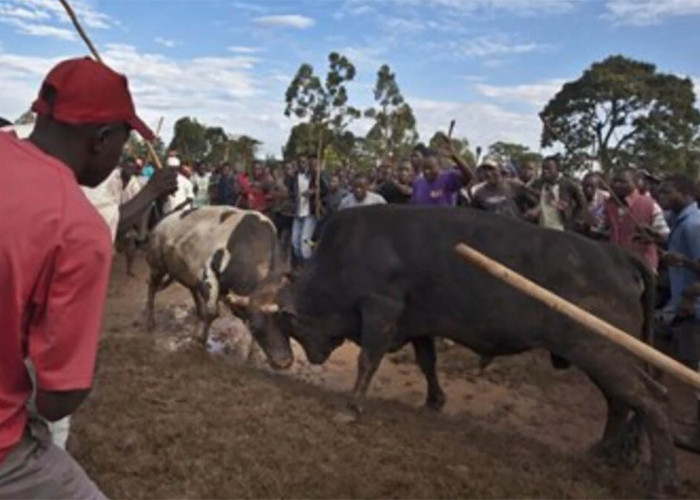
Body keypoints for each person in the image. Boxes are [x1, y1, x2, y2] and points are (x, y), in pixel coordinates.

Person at [0, 56, 155, 498]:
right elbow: (57, 399)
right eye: (122, 143)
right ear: (101, 139)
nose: (119, 156)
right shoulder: (78, 227)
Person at [655, 174, 700, 452]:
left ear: (685, 193)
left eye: (667, 192)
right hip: (683, 306)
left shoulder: (694, 225)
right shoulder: (683, 221)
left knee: (696, 374)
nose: (661, 197)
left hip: (693, 309)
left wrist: (682, 261)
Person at [602, 168, 668, 272]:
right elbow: (604, 229)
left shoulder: (650, 204)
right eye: (615, 181)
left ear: (635, 183)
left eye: (623, 182)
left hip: (643, 266)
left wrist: (650, 235)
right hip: (616, 265)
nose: (617, 185)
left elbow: (664, 235)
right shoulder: (609, 206)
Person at [528, 156, 588, 231]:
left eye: (549, 168)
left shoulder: (568, 184)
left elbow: (582, 204)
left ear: (558, 169)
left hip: (560, 231)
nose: (545, 171)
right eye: (543, 168)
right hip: (542, 228)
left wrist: (571, 221)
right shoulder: (540, 183)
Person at [289, 156, 327, 264]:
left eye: (304, 162)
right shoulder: (294, 177)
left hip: (310, 213)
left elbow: (325, 190)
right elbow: (290, 192)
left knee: (305, 242)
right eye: (300, 162)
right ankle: (301, 263)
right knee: (294, 241)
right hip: (297, 213)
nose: (302, 164)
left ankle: (308, 265)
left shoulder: (315, 177)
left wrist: (314, 191)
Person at [470, 157, 537, 219]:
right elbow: (475, 215)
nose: (488, 173)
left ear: (500, 169)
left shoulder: (514, 185)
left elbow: (536, 202)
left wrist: (529, 214)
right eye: (485, 170)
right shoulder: (479, 193)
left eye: (492, 169)